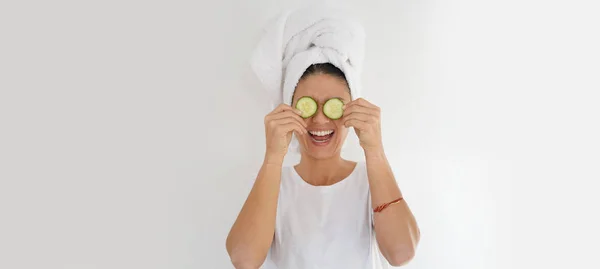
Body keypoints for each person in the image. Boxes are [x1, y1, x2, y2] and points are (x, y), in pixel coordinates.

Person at [225, 63, 420, 269]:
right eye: (307, 106)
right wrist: (273, 156)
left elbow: (401, 254)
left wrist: (375, 150)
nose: (319, 118)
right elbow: (244, 260)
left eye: (333, 106)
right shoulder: (272, 181)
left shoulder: (372, 177)